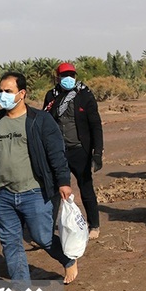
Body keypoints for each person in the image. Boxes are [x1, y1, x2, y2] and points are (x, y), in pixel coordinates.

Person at [0, 72, 79, 285]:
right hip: (6, 195)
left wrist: (63, 182)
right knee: (10, 241)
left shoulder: (40, 120)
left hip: (35, 192)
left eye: (8, 91)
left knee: (43, 237)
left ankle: (68, 260)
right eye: (0, 91)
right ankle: (21, 285)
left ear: (22, 93)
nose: (3, 95)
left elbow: (56, 153)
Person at [43, 62, 104, 239]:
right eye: (64, 75)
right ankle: (48, 229)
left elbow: (96, 126)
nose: (68, 78)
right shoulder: (51, 96)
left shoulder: (85, 95)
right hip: (58, 152)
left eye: (71, 74)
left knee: (86, 188)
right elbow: (45, 122)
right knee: (54, 190)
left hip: (80, 150)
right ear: (58, 77)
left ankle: (94, 226)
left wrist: (97, 153)